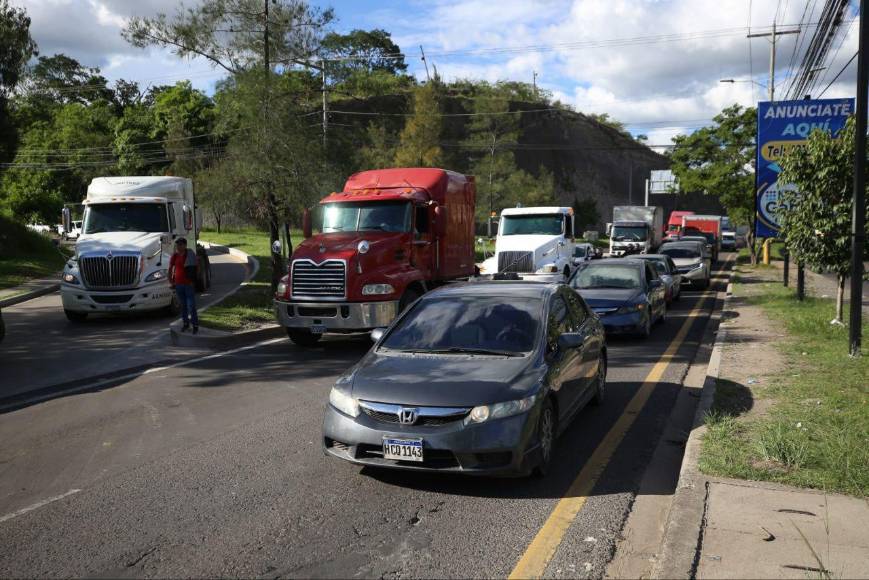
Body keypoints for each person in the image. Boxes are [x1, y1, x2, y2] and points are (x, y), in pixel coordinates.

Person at [169, 237, 199, 334]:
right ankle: (186, 323)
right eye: (177, 245)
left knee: (191, 305)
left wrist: (193, 281)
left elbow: (196, 268)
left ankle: (195, 325)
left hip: (188, 285)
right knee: (183, 305)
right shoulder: (175, 256)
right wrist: (171, 282)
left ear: (185, 245)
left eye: (180, 245)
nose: (178, 247)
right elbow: (170, 269)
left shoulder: (190, 254)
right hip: (178, 285)